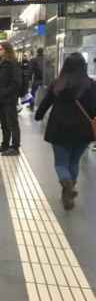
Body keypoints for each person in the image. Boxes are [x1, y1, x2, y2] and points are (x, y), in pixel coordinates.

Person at [34, 53, 96, 210]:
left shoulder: (57, 84)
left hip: (59, 129)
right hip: (83, 131)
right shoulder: (90, 84)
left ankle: (67, 187)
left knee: (61, 163)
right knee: (74, 162)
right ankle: (68, 193)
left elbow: (46, 103)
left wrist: (38, 115)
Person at [0, 41, 22, 156]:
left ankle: (15, 147)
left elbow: (16, 83)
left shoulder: (12, 63)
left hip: (9, 99)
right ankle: (5, 145)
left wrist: (4, 93)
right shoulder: (3, 63)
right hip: (2, 100)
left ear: (6, 50)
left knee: (12, 123)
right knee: (4, 123)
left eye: (0, 49)